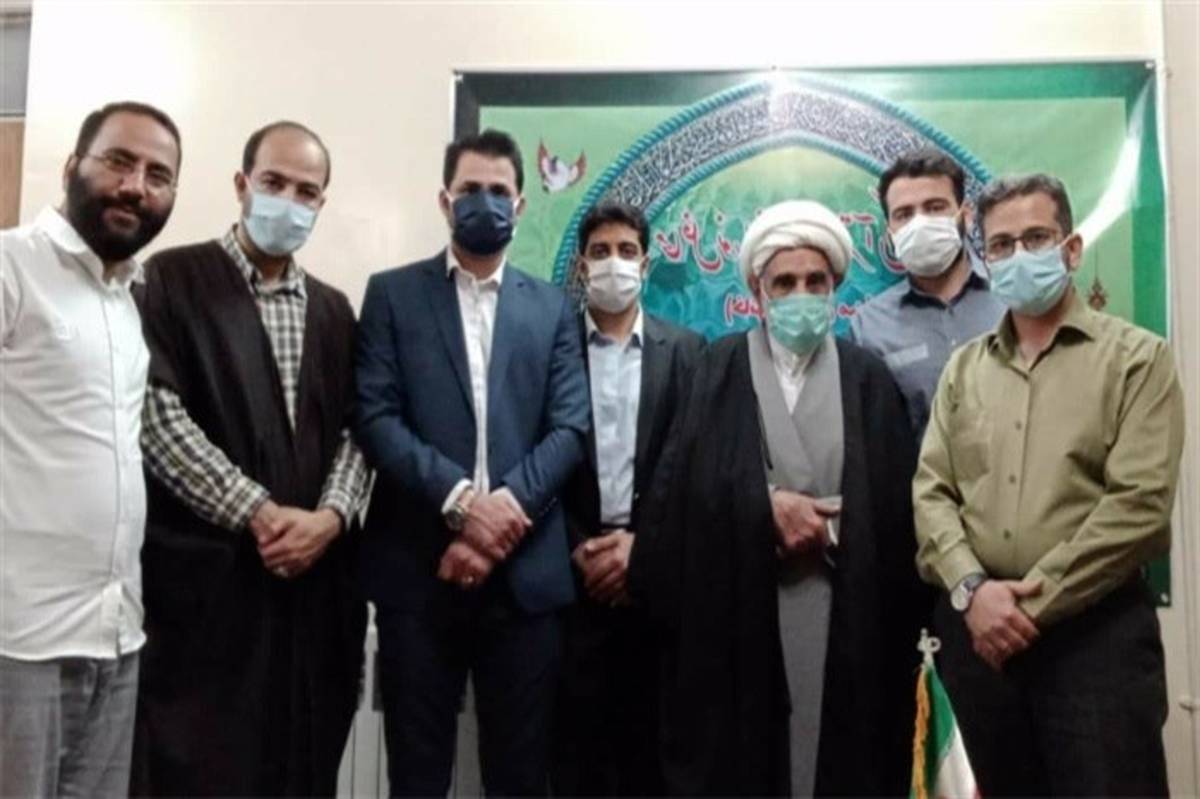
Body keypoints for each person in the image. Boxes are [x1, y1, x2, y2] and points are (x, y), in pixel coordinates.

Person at [632, 200, 928, 796]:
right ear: (757, 291)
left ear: (835, 288)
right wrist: (760, 509)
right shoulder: (714, 369)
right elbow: (678, 501)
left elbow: (899, 517)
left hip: (847, 620)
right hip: (737, 627)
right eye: (785, 283)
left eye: (815, 282)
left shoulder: (868, 379)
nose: (801, 296)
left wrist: (830, 529)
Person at [913, 173, 1185, 797]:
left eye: (1035, 238)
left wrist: (1024, 609)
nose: (1018, 255)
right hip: (981, 646)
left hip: (1095, 641)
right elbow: (932, 492)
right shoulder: (964, 369)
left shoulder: (1137, 360)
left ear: (1071, 249)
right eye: (1001, 245)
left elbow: (1139, 508)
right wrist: (972, 590)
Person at [131, 121, 369, 796]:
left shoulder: (334, 311)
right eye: (274, 183)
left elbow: (360, 429)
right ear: (242, 184)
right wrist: (260, 514)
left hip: (313, 591)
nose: (289, 201)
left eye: (306, 191)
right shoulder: (170, 280)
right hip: (207, 590)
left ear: (321, 203)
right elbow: (156, 416)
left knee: (301, 764)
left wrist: (330, 518)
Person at [355, 128, 590, 796]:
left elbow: (569, 426)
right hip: (418, 573)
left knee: (520, 777)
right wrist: (461, 503)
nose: (483, 202)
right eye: (469, 190)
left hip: (526, 582)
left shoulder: (553, 306)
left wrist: (500, 518)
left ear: (520, 205)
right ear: (444, 200)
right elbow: (376, 417)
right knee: (417, 775)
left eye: (497, 191)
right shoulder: (392, 295)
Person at [0, 101, 180, 798]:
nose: (136, 186)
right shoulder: (12, 266)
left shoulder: (127, 299)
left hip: (114, 633)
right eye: (119, 162)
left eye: (158, 175)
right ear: (73, 165)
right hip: (19, 639)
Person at [551, 202, 703, 796]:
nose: (613, 263)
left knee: (651, 766)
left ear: (647, 263)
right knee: (575, 764)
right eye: (600, 252)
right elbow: (531, 452)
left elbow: (690, 468)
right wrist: (576, 547)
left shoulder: (688, 351)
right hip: (570, 585)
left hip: (656, 589)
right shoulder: (548, 346)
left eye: (626, 251)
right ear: (581, 267)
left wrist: (643, 550)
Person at [850, 147, 1004, 435]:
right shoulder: (869, 326)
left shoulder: (1012, 297)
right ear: (890, 232)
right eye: (904, 214)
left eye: (935, 208)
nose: (919, 223)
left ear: (966, 216)